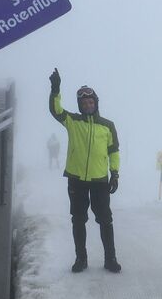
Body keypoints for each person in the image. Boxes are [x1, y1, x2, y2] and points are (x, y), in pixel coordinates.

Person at [49, 68, 121, 273]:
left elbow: (114, 151)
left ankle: (110, 259)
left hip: (100, 180)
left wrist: (114, 173)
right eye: (84, 103)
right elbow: (56, 110)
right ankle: (81, 259)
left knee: (105, 219)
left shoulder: (107, 126)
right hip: (76, 179)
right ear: (80, 105)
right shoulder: (73, 121)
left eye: (91, 102)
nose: (88, 105)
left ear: (96, 103)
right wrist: (55, 89)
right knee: (78, 219)